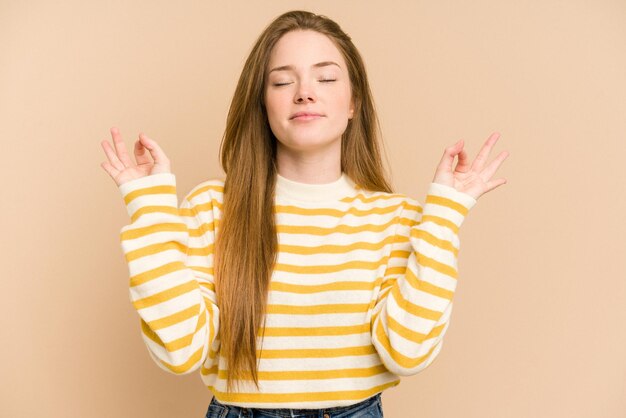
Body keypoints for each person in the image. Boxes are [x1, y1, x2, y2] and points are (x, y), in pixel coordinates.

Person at [100, 9, 508, 418]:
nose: (304, 92)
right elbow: (179, 350)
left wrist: (443, 217)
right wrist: (149, 206)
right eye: (282, 81)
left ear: (354, 104)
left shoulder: (396, 218)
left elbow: (408, 353)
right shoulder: (212, 208)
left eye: (326, 78)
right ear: (262, 103)